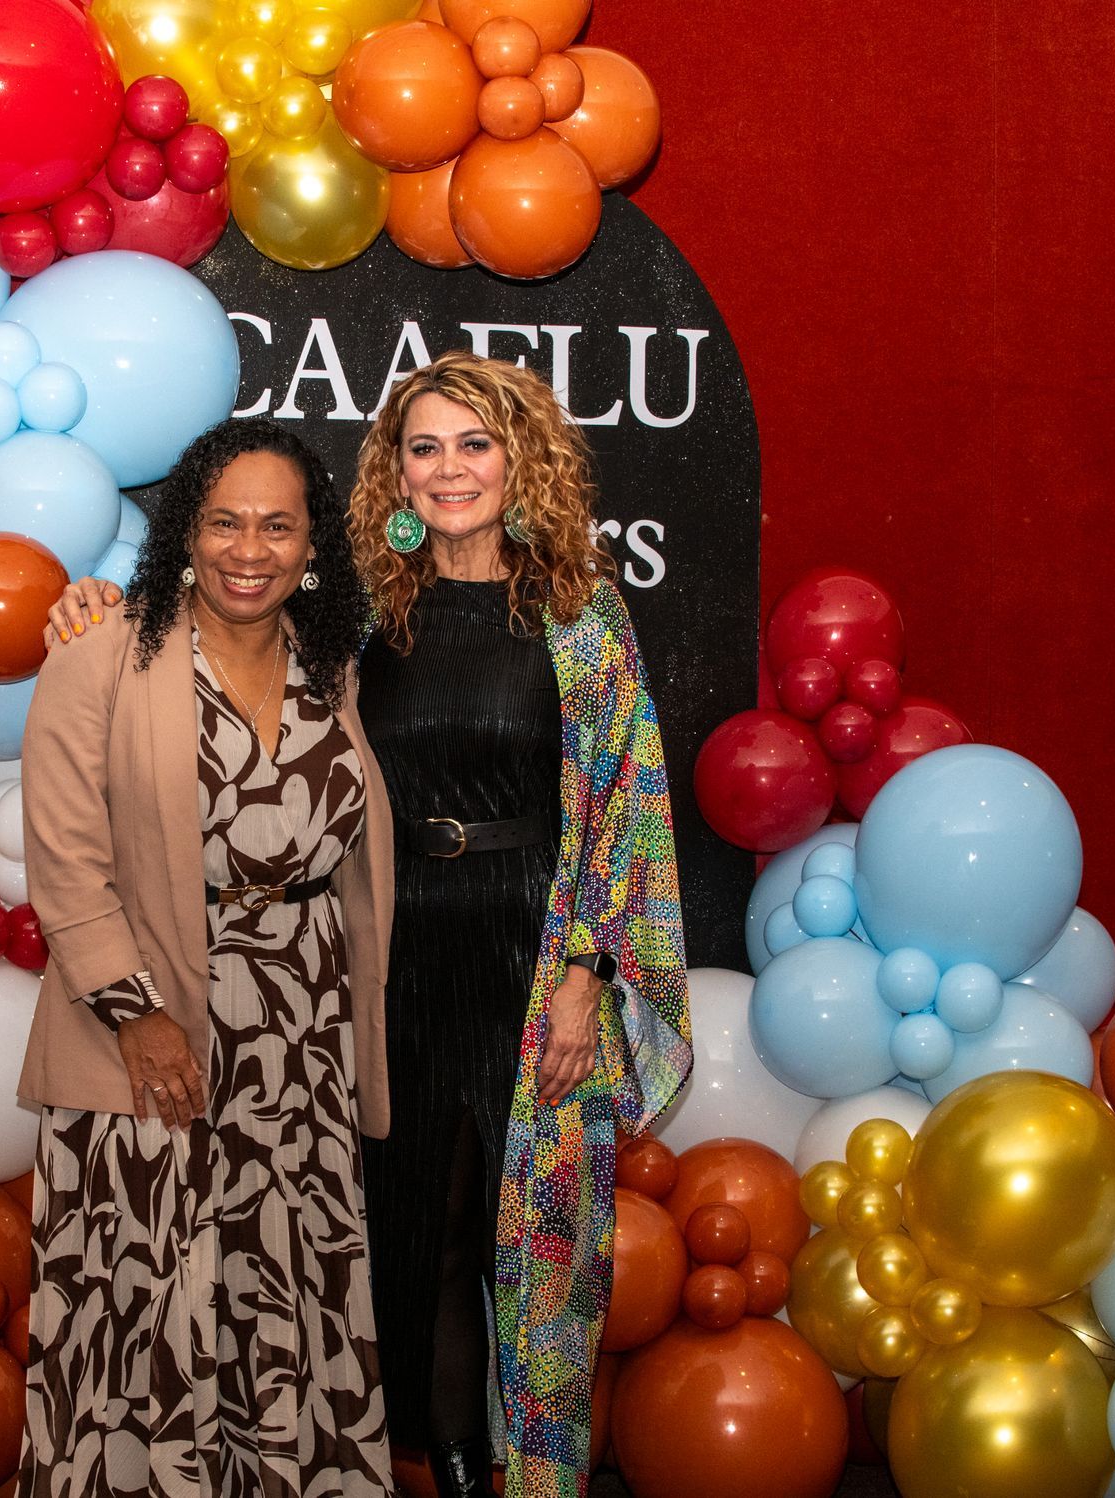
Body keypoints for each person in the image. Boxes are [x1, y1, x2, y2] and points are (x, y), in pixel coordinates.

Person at [48, 352, 693, 1498]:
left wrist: (591, 968)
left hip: (530, 952)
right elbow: (213, 617)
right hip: (380, 958)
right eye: (426, 446)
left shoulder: (580, 612)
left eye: (476, 445)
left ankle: (540, 1476)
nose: (451, 470)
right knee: (416, 1229)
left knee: (538, 1234)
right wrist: (90, 594)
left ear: (521, 457)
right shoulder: (353, 613)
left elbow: (627, 800)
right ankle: (442, 1461)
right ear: (394, 470)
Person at [17, 417, 396, 1498]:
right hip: (145, 1026)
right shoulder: (105, 654)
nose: (250, 548)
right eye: (225, 521)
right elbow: (67, 865)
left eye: (278, 525)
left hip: (302, 1037)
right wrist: (139, 1017)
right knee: (146, 1303)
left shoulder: (335, 670)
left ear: (313, 543)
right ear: (186, 531)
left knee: (287, 1288)